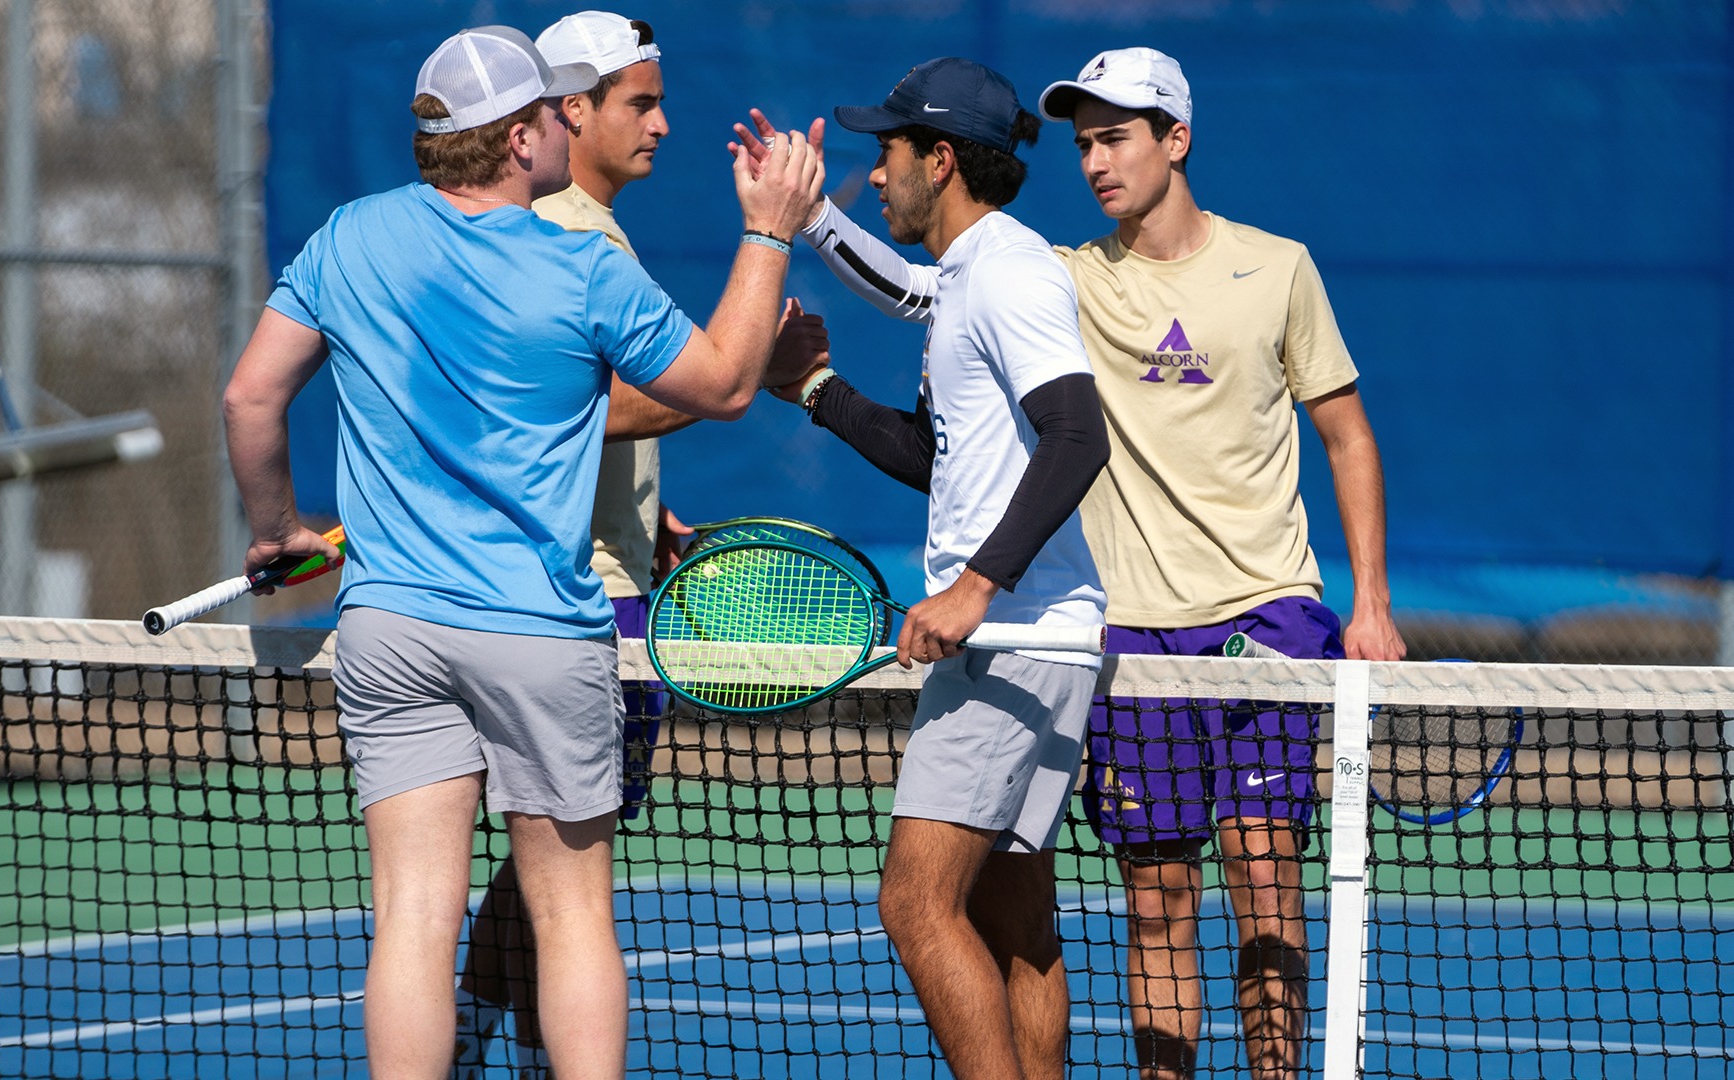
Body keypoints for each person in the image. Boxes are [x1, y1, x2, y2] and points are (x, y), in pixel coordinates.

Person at [221, 25, 822, 1080]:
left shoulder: (348, 237)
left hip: (387, 629)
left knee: (413, 913)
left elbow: (250, 395)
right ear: (514, 141)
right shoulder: (579, 265)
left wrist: (277, 530)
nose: (562, 123)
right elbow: (728, 384)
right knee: (575, 914)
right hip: (537, 632)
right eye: (548, 112)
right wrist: (769, 229)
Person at [1032, 47, 1406, 1080]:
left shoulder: (1277, 266)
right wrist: (808, 229)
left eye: (1115, 138)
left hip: (1267, 615)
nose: (1096, 163)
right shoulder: (1065, 280)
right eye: (1083, 145)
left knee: (1264, 873)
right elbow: (939, 281)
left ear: (1175, 140)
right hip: (1131, 632)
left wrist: (1370, 603)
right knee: (1154, 901)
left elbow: (1347, 434)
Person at [753, 58, 1112, 1080]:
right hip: (1031, 632)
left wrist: (975, 586)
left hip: (1014, 636)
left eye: (887, 154)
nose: (877, 175)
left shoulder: (1009, 270)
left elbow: (1078, 435)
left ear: (940, 160)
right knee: (1013, 919)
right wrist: (816, 388)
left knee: (915, 903)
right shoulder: (968, 275)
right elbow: (933, 451)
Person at [451, 12, 688, 1075]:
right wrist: (735, 374)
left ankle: (458, 1036)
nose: (664, 124)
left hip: (585, 581)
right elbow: (594, 400)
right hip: (580, 610)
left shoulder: (572, 225)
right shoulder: (567, 234)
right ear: (572, 110)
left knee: (543, 864)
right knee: (564, 879)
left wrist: (645, 513)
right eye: (641, 103)